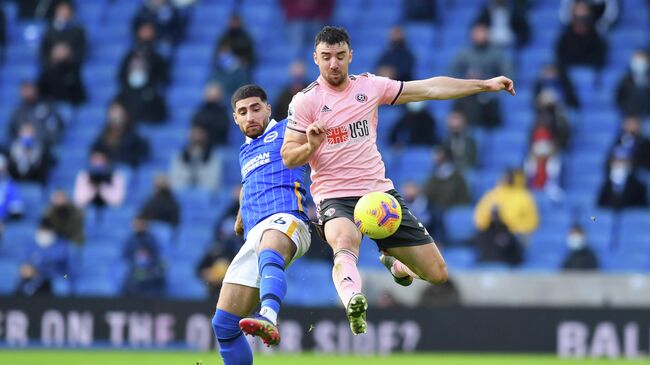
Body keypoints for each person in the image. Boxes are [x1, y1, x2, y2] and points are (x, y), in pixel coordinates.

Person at [281, 26, 515, 335]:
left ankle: (395, 264)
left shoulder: (370, 87)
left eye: (340, 56)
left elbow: (429, 88)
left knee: (436, 273)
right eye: (326, 57)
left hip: (379, 195)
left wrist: (485, 84)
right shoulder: (305, 102)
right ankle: (354, 300)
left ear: (351, 55)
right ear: (315, 58)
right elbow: (288, 156)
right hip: (334, 196)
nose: (333, 64)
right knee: (343, 243)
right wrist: (310, 146)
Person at [212, 85, 311, 364]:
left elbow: (316, 147)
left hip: (289, 219)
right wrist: (241, 215)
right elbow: (248, 184)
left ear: (268, 109)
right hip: (254, 233)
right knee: (223, 325)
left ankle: (268, 315)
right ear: (235, 118)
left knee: (271, 246)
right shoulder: (245, 152)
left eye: (256, 108)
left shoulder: (288, 131)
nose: (250, 116)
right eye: (243, 112)